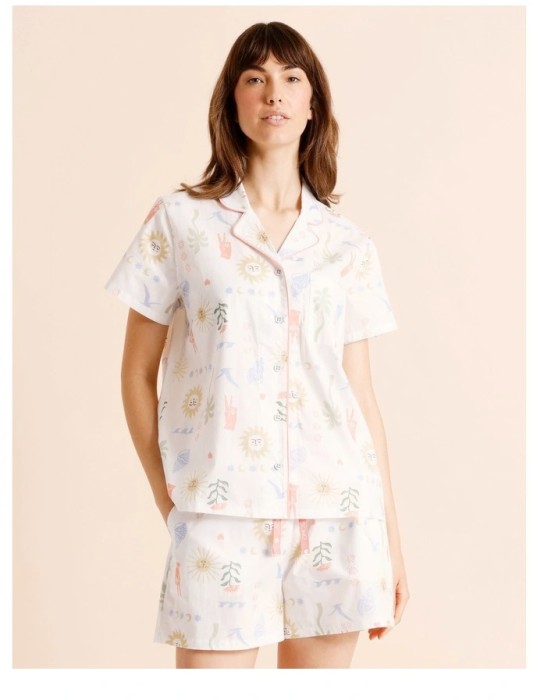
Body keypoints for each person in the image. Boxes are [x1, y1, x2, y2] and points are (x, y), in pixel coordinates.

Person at [105, 21, 409, 669]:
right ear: (233, 101)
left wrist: (391, 540)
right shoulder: (180, 222)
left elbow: (360, 395)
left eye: (291, 78)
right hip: (219, 514)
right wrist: (168, 497)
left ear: (312, 104)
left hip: (338, 515)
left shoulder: (347, 245)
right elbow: (136, 374)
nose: (274, 92)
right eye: (255, 77)